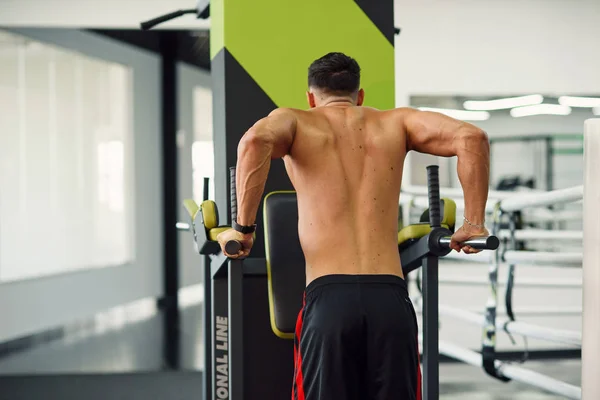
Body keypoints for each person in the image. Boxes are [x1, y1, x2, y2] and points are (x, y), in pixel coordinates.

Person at [217, 52, 490, 400]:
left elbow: (254, 142)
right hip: (391, 300)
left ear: (311, 97)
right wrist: (473, 224)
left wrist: (243, 229)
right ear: (359, 96)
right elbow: (472, 138)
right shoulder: (397, 122)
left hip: (330, 301)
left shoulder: (296, 120)